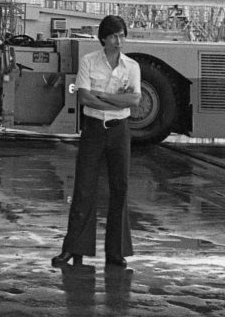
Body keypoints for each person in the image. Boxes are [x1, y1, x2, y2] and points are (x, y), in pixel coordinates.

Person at [52, 14, 140, 270]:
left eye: (121, 36)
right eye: (113, 36)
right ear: (103, 38)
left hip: (119, 131)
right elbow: (84, 97)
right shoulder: (89, 61)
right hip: (93, 130)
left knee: (120, 188)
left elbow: (134, 100)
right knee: (83, 188)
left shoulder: (132, 66)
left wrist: (100, 95)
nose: (118, 41)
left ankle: (116, 252)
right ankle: (72, 248)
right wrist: (114, 101)